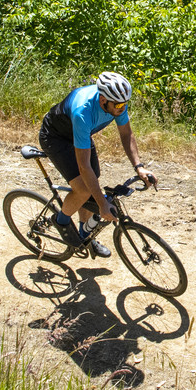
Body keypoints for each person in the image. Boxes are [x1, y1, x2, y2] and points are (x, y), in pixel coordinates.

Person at [36, 71, 154, 256]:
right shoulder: (83, 111)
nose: (122, 108)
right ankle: (62, 220)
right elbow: (84, 167)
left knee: (92, 185)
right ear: (103, 100)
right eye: (119, 105)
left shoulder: (117, 102)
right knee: (84, 189)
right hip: (56, 137)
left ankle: (84, 233)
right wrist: (102, 205)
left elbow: (126, 134)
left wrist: (139, 167)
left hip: (80, 136)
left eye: (125, 103)